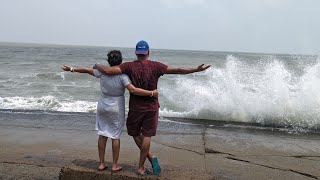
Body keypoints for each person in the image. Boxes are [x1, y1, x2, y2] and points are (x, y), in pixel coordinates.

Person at [94, 40, 211, 176]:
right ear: (148, 52)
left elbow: (108, 70)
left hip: (136, 107)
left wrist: (97, 64)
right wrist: (196, 70)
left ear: (136, 53)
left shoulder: (129, 66)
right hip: (152, 106)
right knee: (147, 136)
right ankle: (141, 167)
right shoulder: (156, 66)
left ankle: (150, 156)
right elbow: (178, 70)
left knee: (134, 133)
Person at [61, 50, 158, 172]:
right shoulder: (123, 76)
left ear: (108, 61)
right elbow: (133, 90)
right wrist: (152, 93)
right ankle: (115, 165)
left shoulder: (101, 73)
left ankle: (101, 163)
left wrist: (71, 69)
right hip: (116, 106)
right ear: (121, 61)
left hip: (103, 104)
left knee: (102, 134)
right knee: (115, 136)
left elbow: (86, 70)